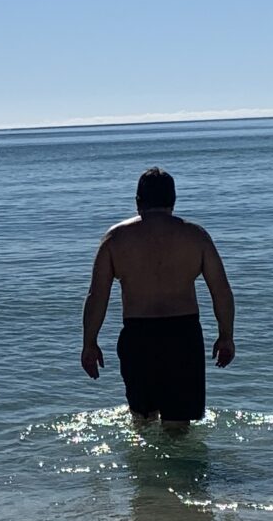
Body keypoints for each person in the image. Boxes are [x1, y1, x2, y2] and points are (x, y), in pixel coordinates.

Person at [81, 169, 235, 434]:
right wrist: (226, 336)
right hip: (184, 336)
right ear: (173, 201)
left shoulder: (115, 239)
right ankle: (182, 475)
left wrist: (89, 343)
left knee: (142, 423)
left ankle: (145, 476)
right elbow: (221, 291)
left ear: (137, 201)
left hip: (138, 336)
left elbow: (97, 297)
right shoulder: (196, 236)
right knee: (178, 427)